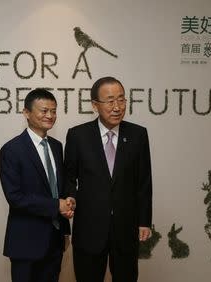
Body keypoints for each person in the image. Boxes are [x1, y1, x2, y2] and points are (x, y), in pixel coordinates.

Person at [64, 77, 152, 282]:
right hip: (89, 229)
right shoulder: (78, 135)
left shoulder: (138, 135)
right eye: (110, 101)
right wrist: (70, 197)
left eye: (121, 100)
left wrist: (144, 221)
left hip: (126, 228)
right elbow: (69, 177)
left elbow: (144, 182)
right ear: (95, 105)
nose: (117, 107)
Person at [0, 88, 75, 282]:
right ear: (26, 113)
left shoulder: (57, 147)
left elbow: (59, 187)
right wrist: (56, 205)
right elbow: (15, 197)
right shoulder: (12, 150)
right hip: (26, 242)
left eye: (54, 111)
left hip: (55, 242)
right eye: (44, 110)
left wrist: (68, 203)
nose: (50, 115)